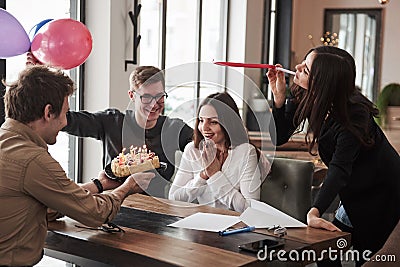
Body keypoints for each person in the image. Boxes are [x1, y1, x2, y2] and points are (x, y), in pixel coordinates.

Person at [0, 65, 155, 266]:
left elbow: (45, 206)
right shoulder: (33, 160)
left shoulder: (7, 144)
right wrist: (127, 187)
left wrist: (99, 184)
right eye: (65, 113)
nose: (65, 123)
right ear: (48, 112)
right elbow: (95, 214)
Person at [267, 46, 400, 266]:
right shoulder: (306, 94)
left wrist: (314, 210)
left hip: (383, 194)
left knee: (370, 258)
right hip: (353, 192)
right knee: (326, 254)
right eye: (303, 62)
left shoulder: (355, 116)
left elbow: (339, 170)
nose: (298, 68)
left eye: (306, 70)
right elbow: (279, 137)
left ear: (323, 83)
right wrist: (279, 100)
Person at [59, 65, 192, 198]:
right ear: (132, 96)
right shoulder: (112, 122)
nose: (154, 104)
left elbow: (203, 144)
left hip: (157, 208)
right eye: (146, 97)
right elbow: (68, 121)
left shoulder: (174, 128)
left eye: (159, 96)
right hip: (112, 205)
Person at [169, 92, 266, 213]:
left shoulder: (245, 152)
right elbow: (173, 198)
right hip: (201, 225)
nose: (204, 128)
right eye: (201, 120)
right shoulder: (192, 150)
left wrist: (215, 175)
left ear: (229, 123)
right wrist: (203, 175)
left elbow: (250, 209)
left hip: (235, 226)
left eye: (213, 122)